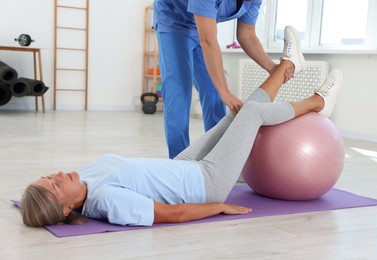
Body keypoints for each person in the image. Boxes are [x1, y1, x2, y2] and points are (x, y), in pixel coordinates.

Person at [20, 27, 343, 227]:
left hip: (183, 167)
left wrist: (37, 197)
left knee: (236, 112)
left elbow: (37, 203)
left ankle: (290, 66)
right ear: (66, 209)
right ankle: (317, 102)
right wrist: (217, 205)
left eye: (50, 176)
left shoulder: (83, 179)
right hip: (205, 182)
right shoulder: (106, 202)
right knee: (254, 113)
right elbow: (170, 215)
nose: (59, 175)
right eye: (56, 185)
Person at [153, 0, 305, 158]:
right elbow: (208, 41)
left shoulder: (253, 1)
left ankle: (217, 158)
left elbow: (247, 35)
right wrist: (225, 92)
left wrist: (272, 68)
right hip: (173, 21)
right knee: (179, 92)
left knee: (213, 91)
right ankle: (179, 164)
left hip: (200, 24)